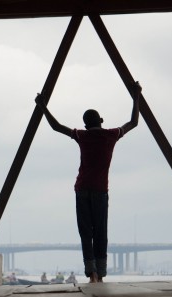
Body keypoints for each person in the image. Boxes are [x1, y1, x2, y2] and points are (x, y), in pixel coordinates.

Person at [35, 82, 142, 283]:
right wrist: (136, 95)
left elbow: (56, 126)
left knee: (86, 232)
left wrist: (42, 106)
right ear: (101, 120)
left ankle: (91, 273)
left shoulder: (82, 136)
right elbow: (133, 122)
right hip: (100, 191)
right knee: (100, 231)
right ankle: (100, 274)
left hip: (82, 189)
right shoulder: (110, 135)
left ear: (85, 125)